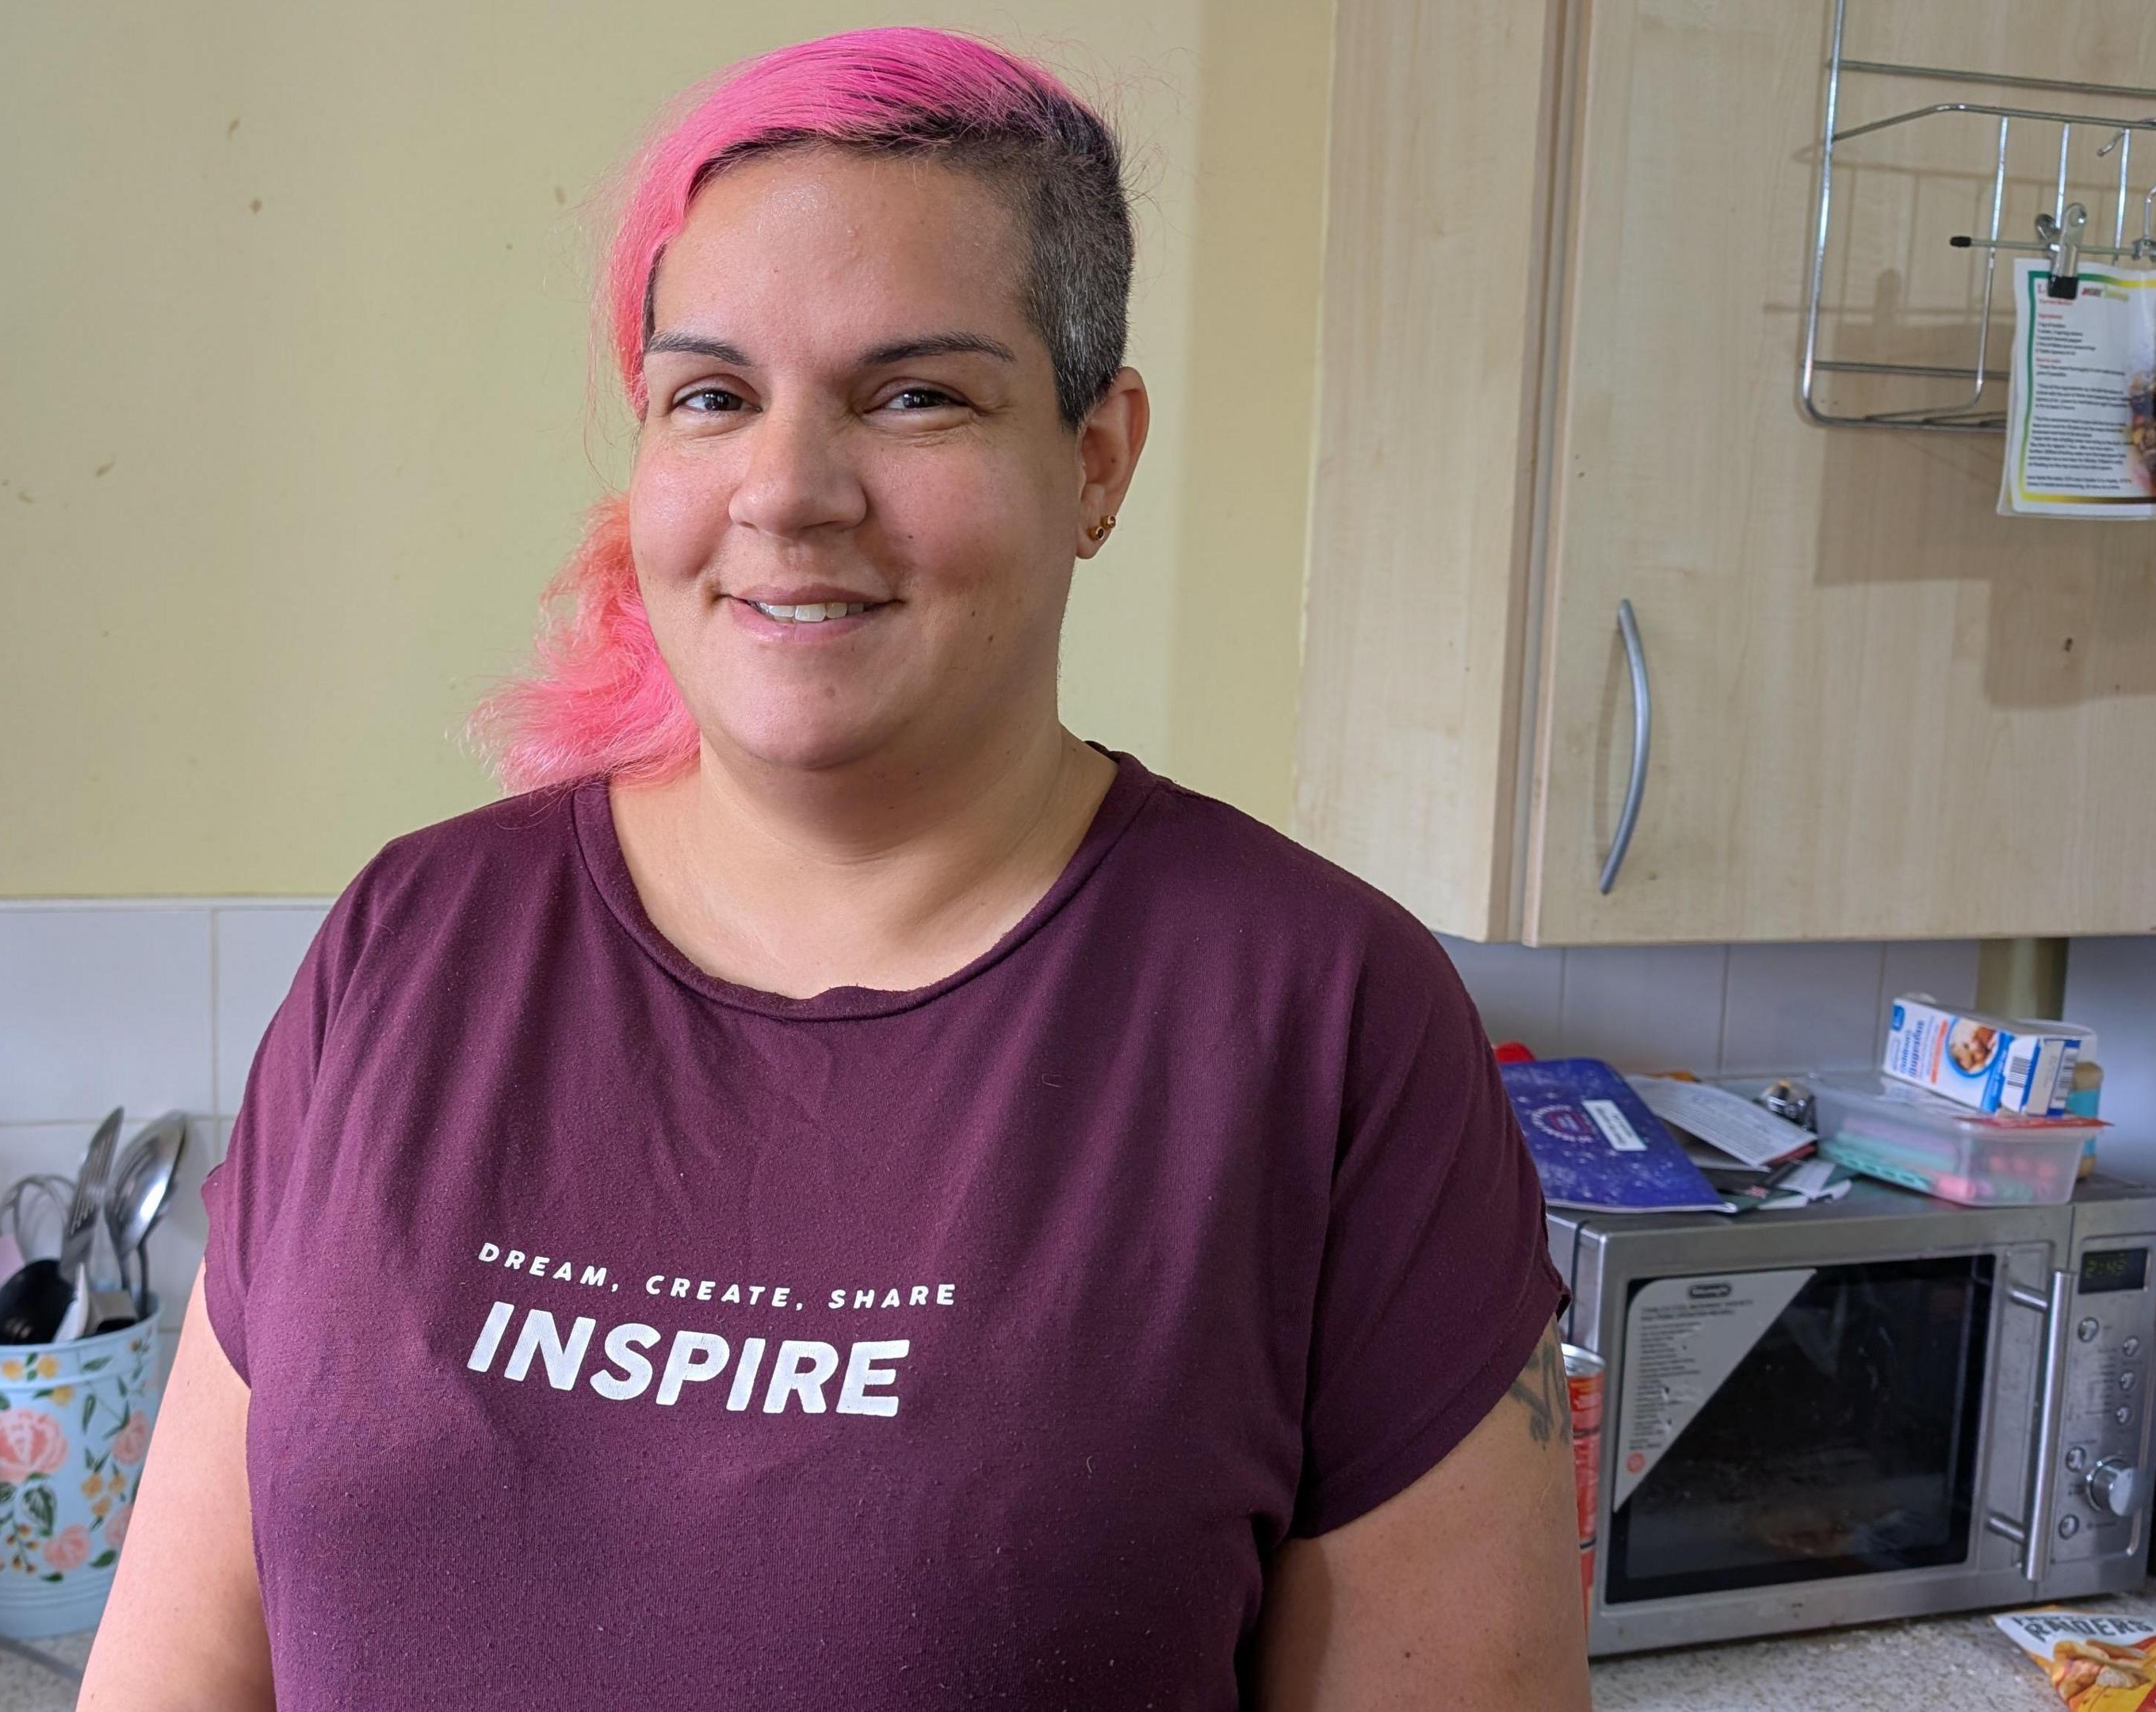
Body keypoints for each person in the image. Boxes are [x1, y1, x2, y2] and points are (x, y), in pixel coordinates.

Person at [85, 28, 1587, 1710]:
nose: (787, 492)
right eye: (712, 397)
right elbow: (178, 1672)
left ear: (1096, 459)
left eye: (917, 394)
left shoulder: (1321, 1021)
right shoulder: (407, 949)